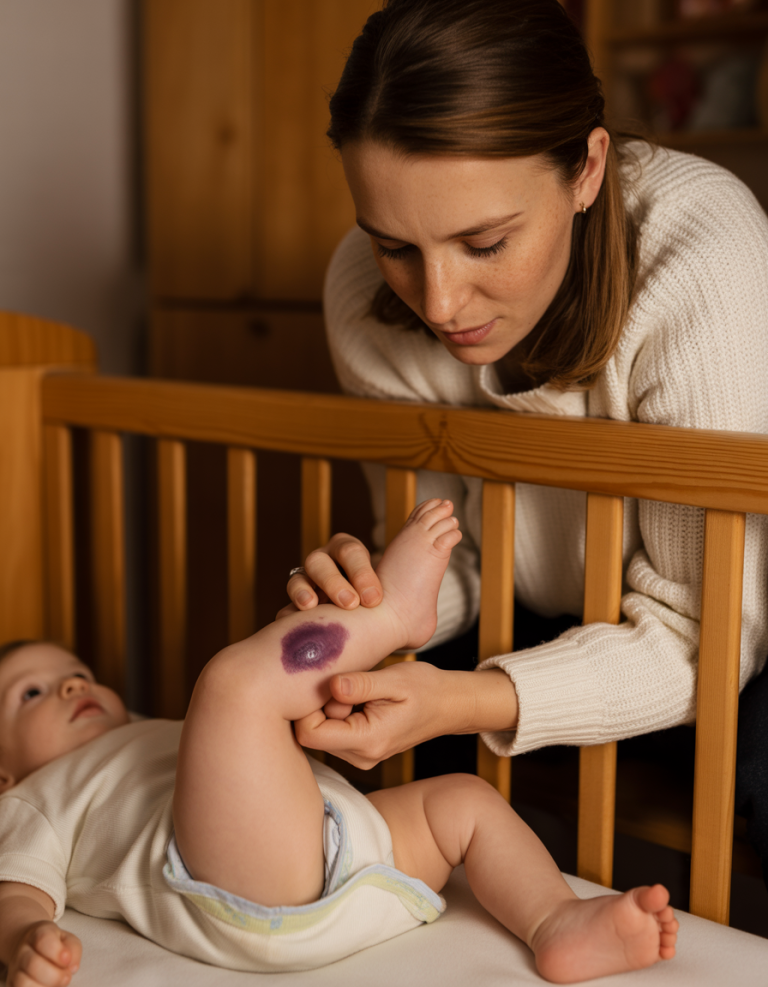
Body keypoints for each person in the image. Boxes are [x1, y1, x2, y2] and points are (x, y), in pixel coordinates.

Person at [284, 0, 768, 874]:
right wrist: (390, 603)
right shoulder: (364, 293)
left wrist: (467, 698)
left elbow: (706, 634)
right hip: (544, 615)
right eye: (396, 244)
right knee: (331, 717)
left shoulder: (696, 255)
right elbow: (461, 552)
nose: (437, 305)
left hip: (733, 635)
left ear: (586, 168)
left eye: (486, 242)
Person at [0, 501, 678, 985]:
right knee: (232, 685)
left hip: (357, 851)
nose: (66, 688)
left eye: (76, 674)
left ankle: (555, 920)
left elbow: (252, 767)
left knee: (464, 803)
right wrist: (23, 939)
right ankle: (392, 616)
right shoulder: (33, 798)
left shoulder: (152, 735)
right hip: (230, 888)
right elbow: (13, 892)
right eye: (28, 693)